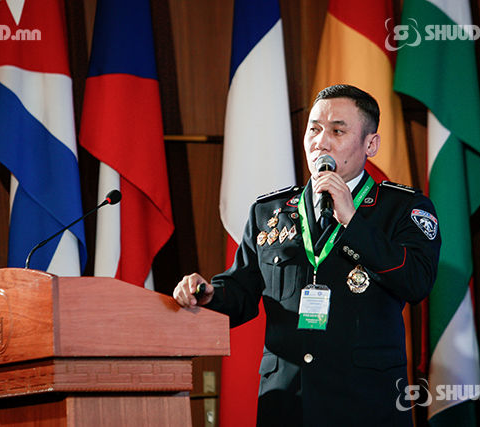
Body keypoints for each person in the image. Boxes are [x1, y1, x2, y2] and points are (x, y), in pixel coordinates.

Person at [173, 84, 441, 426]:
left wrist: (352, 220)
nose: (321, 142)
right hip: (286, 403)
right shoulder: (270, 211)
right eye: (314, 129)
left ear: (370, 144)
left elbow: (416, 282)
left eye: (337, 131)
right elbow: (241, 291)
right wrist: (209, 295)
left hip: (363, 403)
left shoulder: (402, 208)